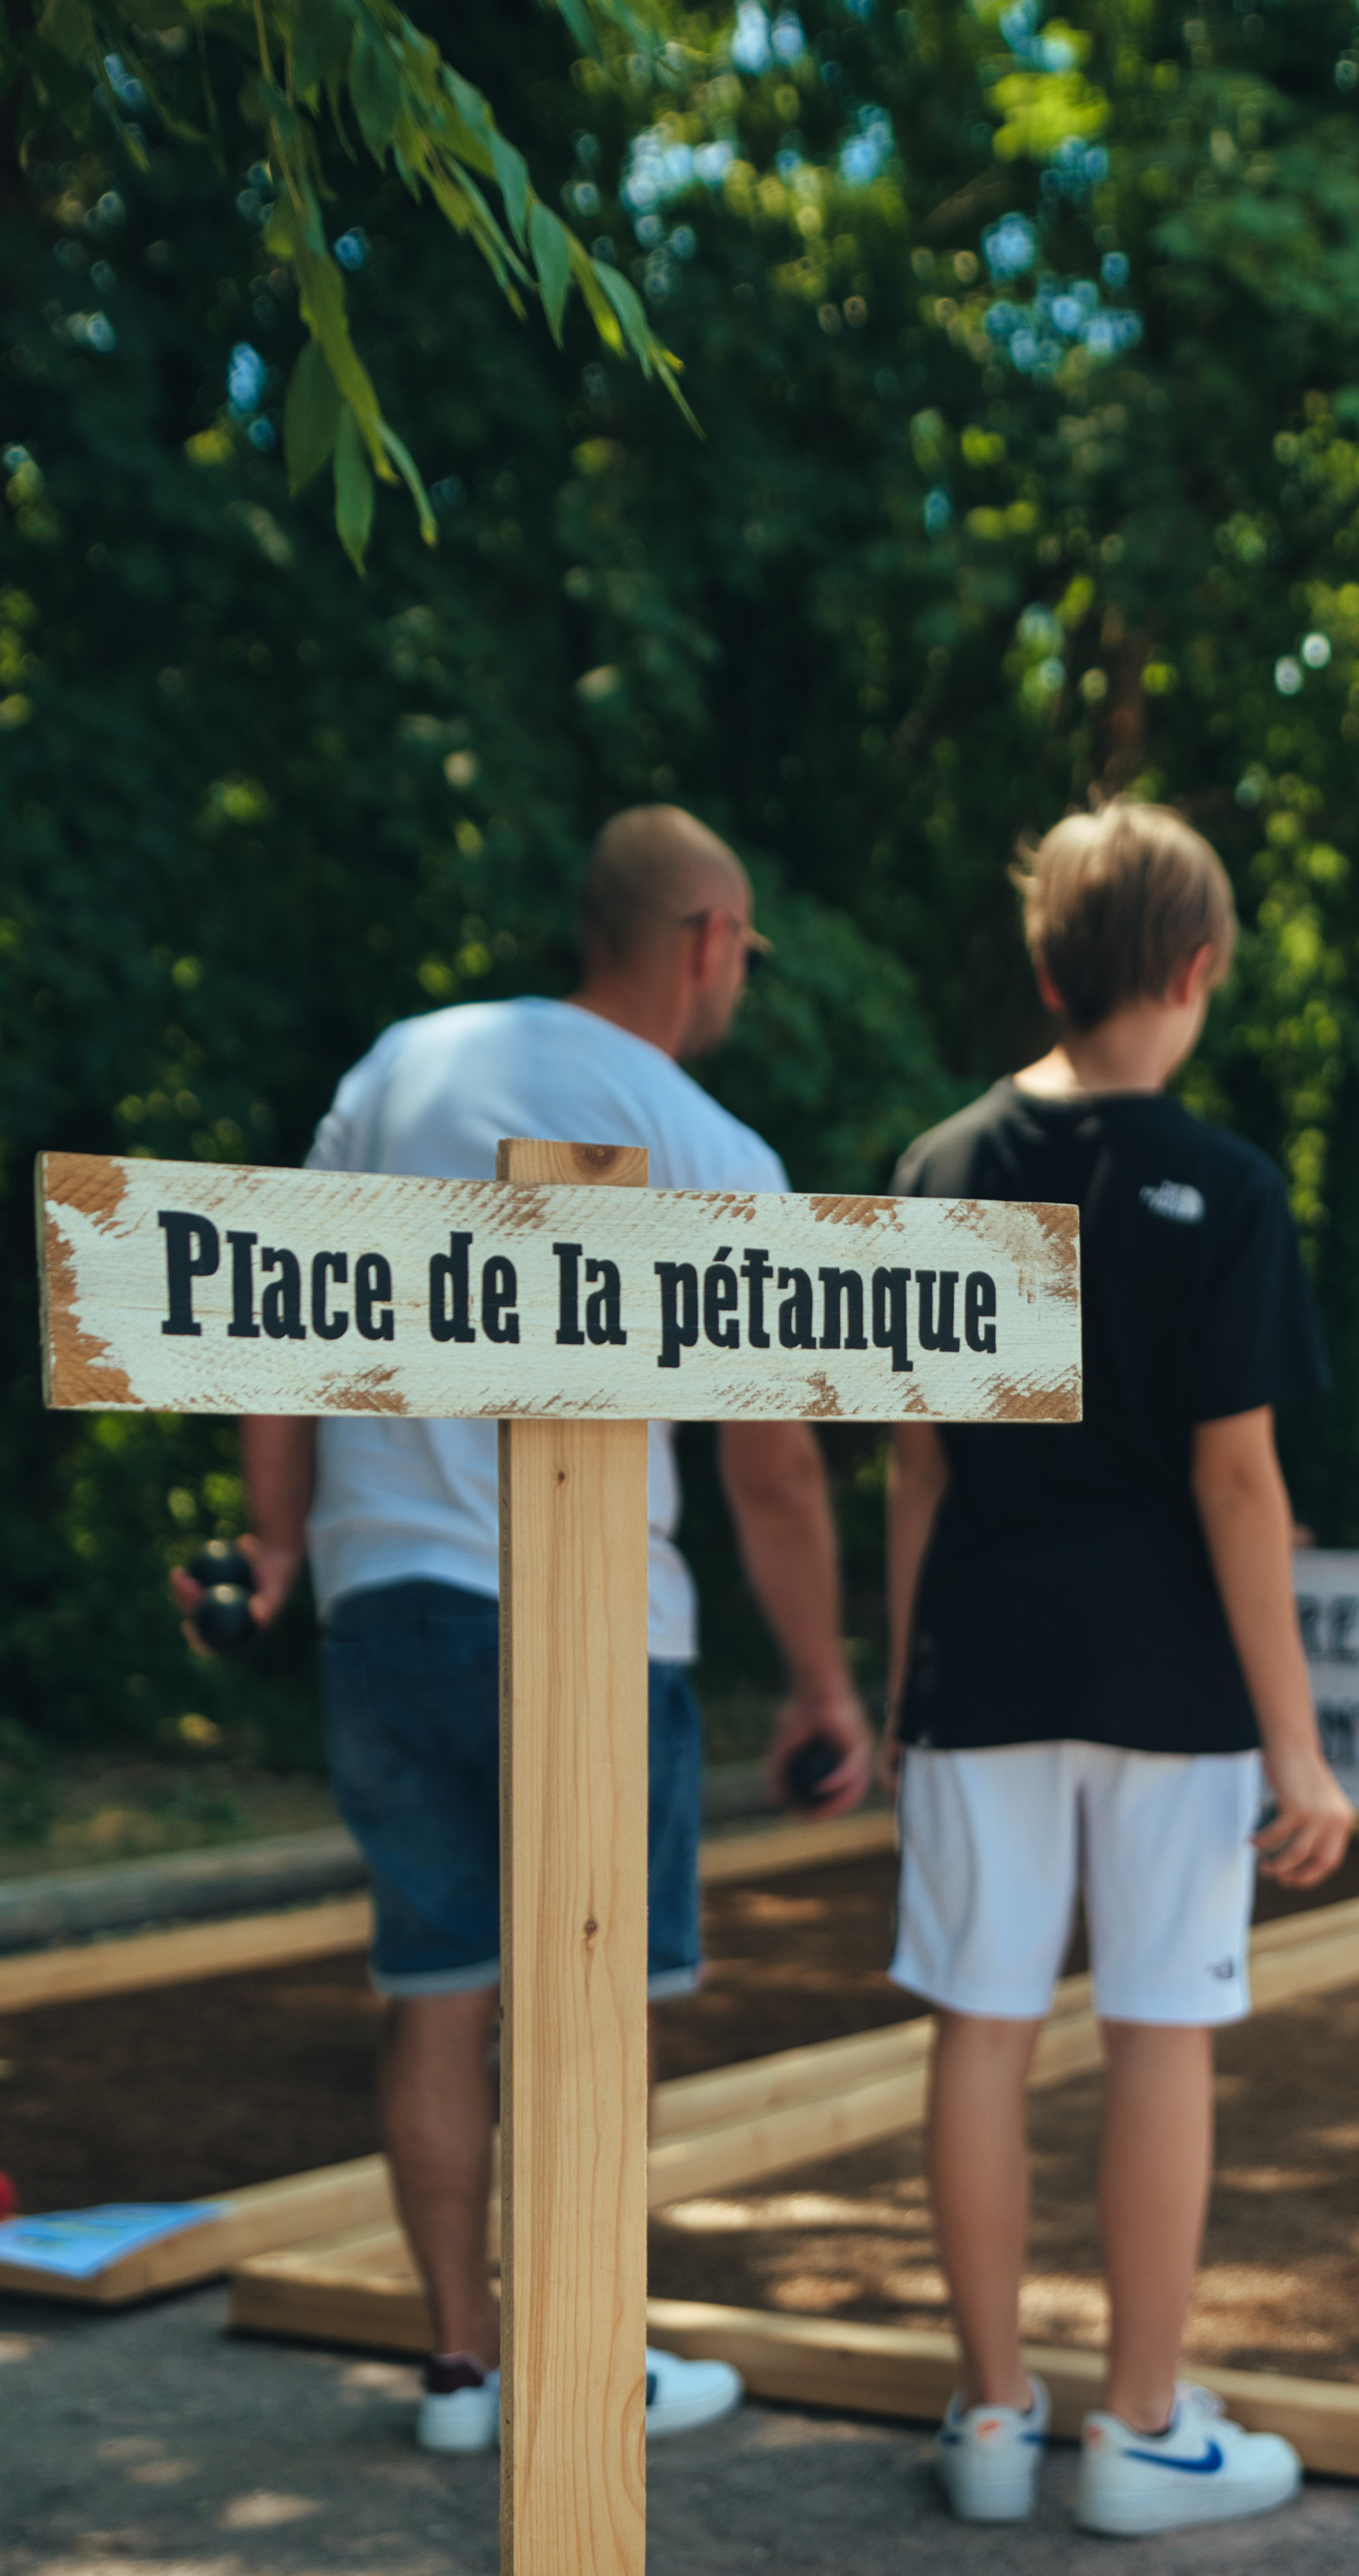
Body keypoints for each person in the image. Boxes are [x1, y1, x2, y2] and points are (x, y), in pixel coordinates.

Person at [180, 806, 877, 2453]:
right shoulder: (703, 1141)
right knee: (591, 2004)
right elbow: (771, 1463)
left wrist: (275, 1549)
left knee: (440, 1984)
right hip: (591, 1629)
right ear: (709, 936)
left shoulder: (396, 1071)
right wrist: (825, 1681)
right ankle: (589, 2367)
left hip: (384, 1604)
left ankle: (464, 2366)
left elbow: (278, 1323)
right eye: (746, 954)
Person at [883, 799, 1354, 2537]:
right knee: (1162, 2024)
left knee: (980, 2025)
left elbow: (918, 1466)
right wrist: (1299, 1748)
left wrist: (889, 1681)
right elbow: (1238, 1480)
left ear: (1045, 964)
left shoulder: (940, 1168)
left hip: (982, 1657)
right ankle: (1141, 2428)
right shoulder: (1225, 1190)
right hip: (1167, 1678)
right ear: (1198, 968)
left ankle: (993, 2418)